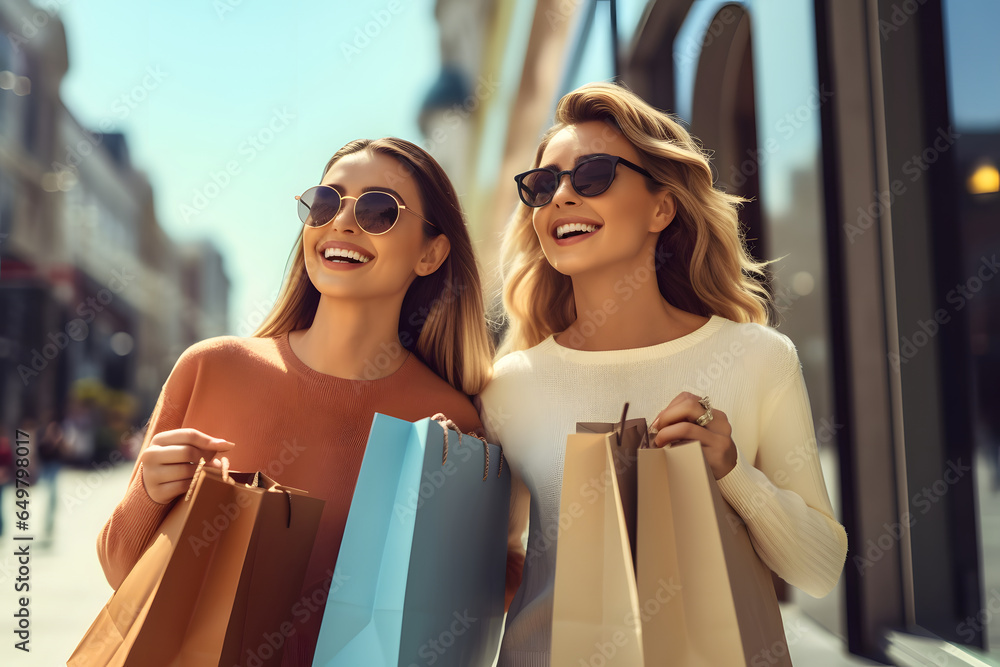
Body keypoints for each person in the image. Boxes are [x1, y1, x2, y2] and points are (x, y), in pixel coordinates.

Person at [479, 82, 849, 665]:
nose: (561, 198)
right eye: (544, 185)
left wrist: (732, 474)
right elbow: (490, 571)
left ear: (661, 206)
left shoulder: (759, 357)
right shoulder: (508, 385)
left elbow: (821, 568)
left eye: (593, 176)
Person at [96, 137, 494, 665]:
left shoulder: (452, 423)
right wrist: (148, 493)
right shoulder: (213, 368)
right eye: (327, 202)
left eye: (379, 210)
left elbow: (466, 613)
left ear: (431, 253)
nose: (342, 223)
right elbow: (124, 575)